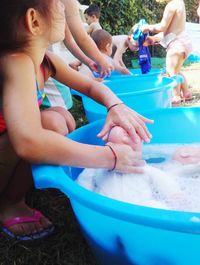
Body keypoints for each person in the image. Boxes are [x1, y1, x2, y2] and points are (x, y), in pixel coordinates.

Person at [0, 0, 153, 240]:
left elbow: (91, 87)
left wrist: (116, 105)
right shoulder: (16, 62)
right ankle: (9, 202)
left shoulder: (46, 61)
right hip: (11, 145)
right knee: (51, 124)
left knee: (63, 118)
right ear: (34, 21)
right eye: (58, 4)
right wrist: (110, 157)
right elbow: (27, 141)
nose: (64, 7)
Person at [141, 0, 193, 105]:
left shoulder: (171, 5)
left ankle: (176, 97)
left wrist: (147, 27)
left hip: (176, 44)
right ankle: (186, 93)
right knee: (176, 71)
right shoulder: (180, 3)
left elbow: (162, 27)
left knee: (171, 73)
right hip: (182, 40)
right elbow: (171, 30)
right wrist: (154, 39)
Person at [61, 0, 112, 77]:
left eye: (87, 19)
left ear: (93, 17)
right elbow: (78, 38)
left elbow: (82, 37)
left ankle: (77, 69)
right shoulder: (99, 27)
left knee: (80, 66)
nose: (86, 21)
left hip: (91, 49)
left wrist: (100, 61)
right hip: (92, 50)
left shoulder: (93, 25)